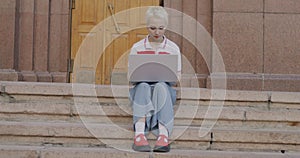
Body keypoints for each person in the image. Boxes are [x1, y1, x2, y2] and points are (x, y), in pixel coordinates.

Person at [128, 6, 182, 152]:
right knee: (143, 85)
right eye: (152, 28)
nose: (157, 32)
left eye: (161, 28)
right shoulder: (137, 47)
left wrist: (169, 77)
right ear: (146, 27)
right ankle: (139, 134)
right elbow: (131, 78)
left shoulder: (173, 48)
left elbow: (177, 77)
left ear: (166, 27)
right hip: (142, 90)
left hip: (164, 89)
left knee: (161, 86)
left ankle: (163, 136)